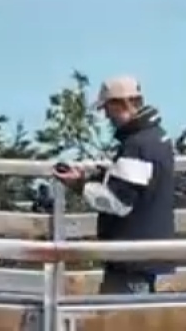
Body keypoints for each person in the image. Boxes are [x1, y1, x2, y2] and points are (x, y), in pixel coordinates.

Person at [52, 75, 176, 294]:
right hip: (147, 255)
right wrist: (102, 177)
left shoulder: (136, 146)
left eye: (107, 108)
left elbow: (119, 202)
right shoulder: (157, 137)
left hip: (131, 260)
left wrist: (79, 185)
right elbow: (138, 186)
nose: (106, 116)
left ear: (121, 105)